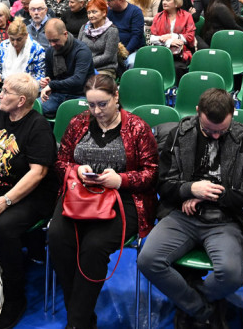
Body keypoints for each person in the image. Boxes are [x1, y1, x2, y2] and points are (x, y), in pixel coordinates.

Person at [138, 88, 243, 329]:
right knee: (148, 260)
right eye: (209, 130)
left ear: (232, 115)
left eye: (222, 131)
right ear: (198, 113)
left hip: (225, 220)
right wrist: (189, 189)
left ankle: (190, 302)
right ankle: (201, 308)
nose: (216, 136)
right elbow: (163, 184)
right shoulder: (178, 135)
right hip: (182, 216)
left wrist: (210, 195)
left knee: (231, 274)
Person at [48, 74, 158, 329]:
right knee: (57, 238)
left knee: (94, 247)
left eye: (103, 104)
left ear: (116, 97)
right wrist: (75, 170)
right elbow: (60, 162)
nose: (96, 111)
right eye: (91, 105)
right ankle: (82, 316)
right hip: (80, 196)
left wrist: (121, 180)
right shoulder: (77, 123)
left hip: (124, 199)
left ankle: (76, 322)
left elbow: (152, 173)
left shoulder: (137, 127)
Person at [0, 72, 56, 328]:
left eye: (6, 92)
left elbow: (38, 173)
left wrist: (6, 201)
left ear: (21, 100)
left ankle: (15, 297)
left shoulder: (38, 126)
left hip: (31, 194)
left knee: (4, 229)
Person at [38, 19, 93, 117]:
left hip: (79, 95)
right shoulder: (50, 51)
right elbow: (50, 77)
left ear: (65, 34)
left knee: (71, 113)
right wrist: (46, 81)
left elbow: (78, 80)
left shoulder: (82, 51)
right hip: (58, 94)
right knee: (33, 108)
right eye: (49, 41)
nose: (52, 45)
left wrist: (52, 85)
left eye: (55, 40)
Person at [149, 0, 197, 70]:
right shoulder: (158, 16)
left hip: (180, 53)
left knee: (177, 67)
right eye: (163, 0)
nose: (164, 2)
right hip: (161, 51)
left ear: (176, 3)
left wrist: (172, 36)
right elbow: (152, 38)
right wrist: (169, 42)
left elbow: (190, 37)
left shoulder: (187, 16)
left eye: (167, 0)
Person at [78, 0, 119, 78]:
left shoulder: (112, 31)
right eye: (89, 13)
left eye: (94, 12)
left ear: (104, 13)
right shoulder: (84, 28)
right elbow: (78, 48)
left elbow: (108, 56)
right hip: (84, 67)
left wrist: (86, 62)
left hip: (105, 69)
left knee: (92, 83)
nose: (90, 15)